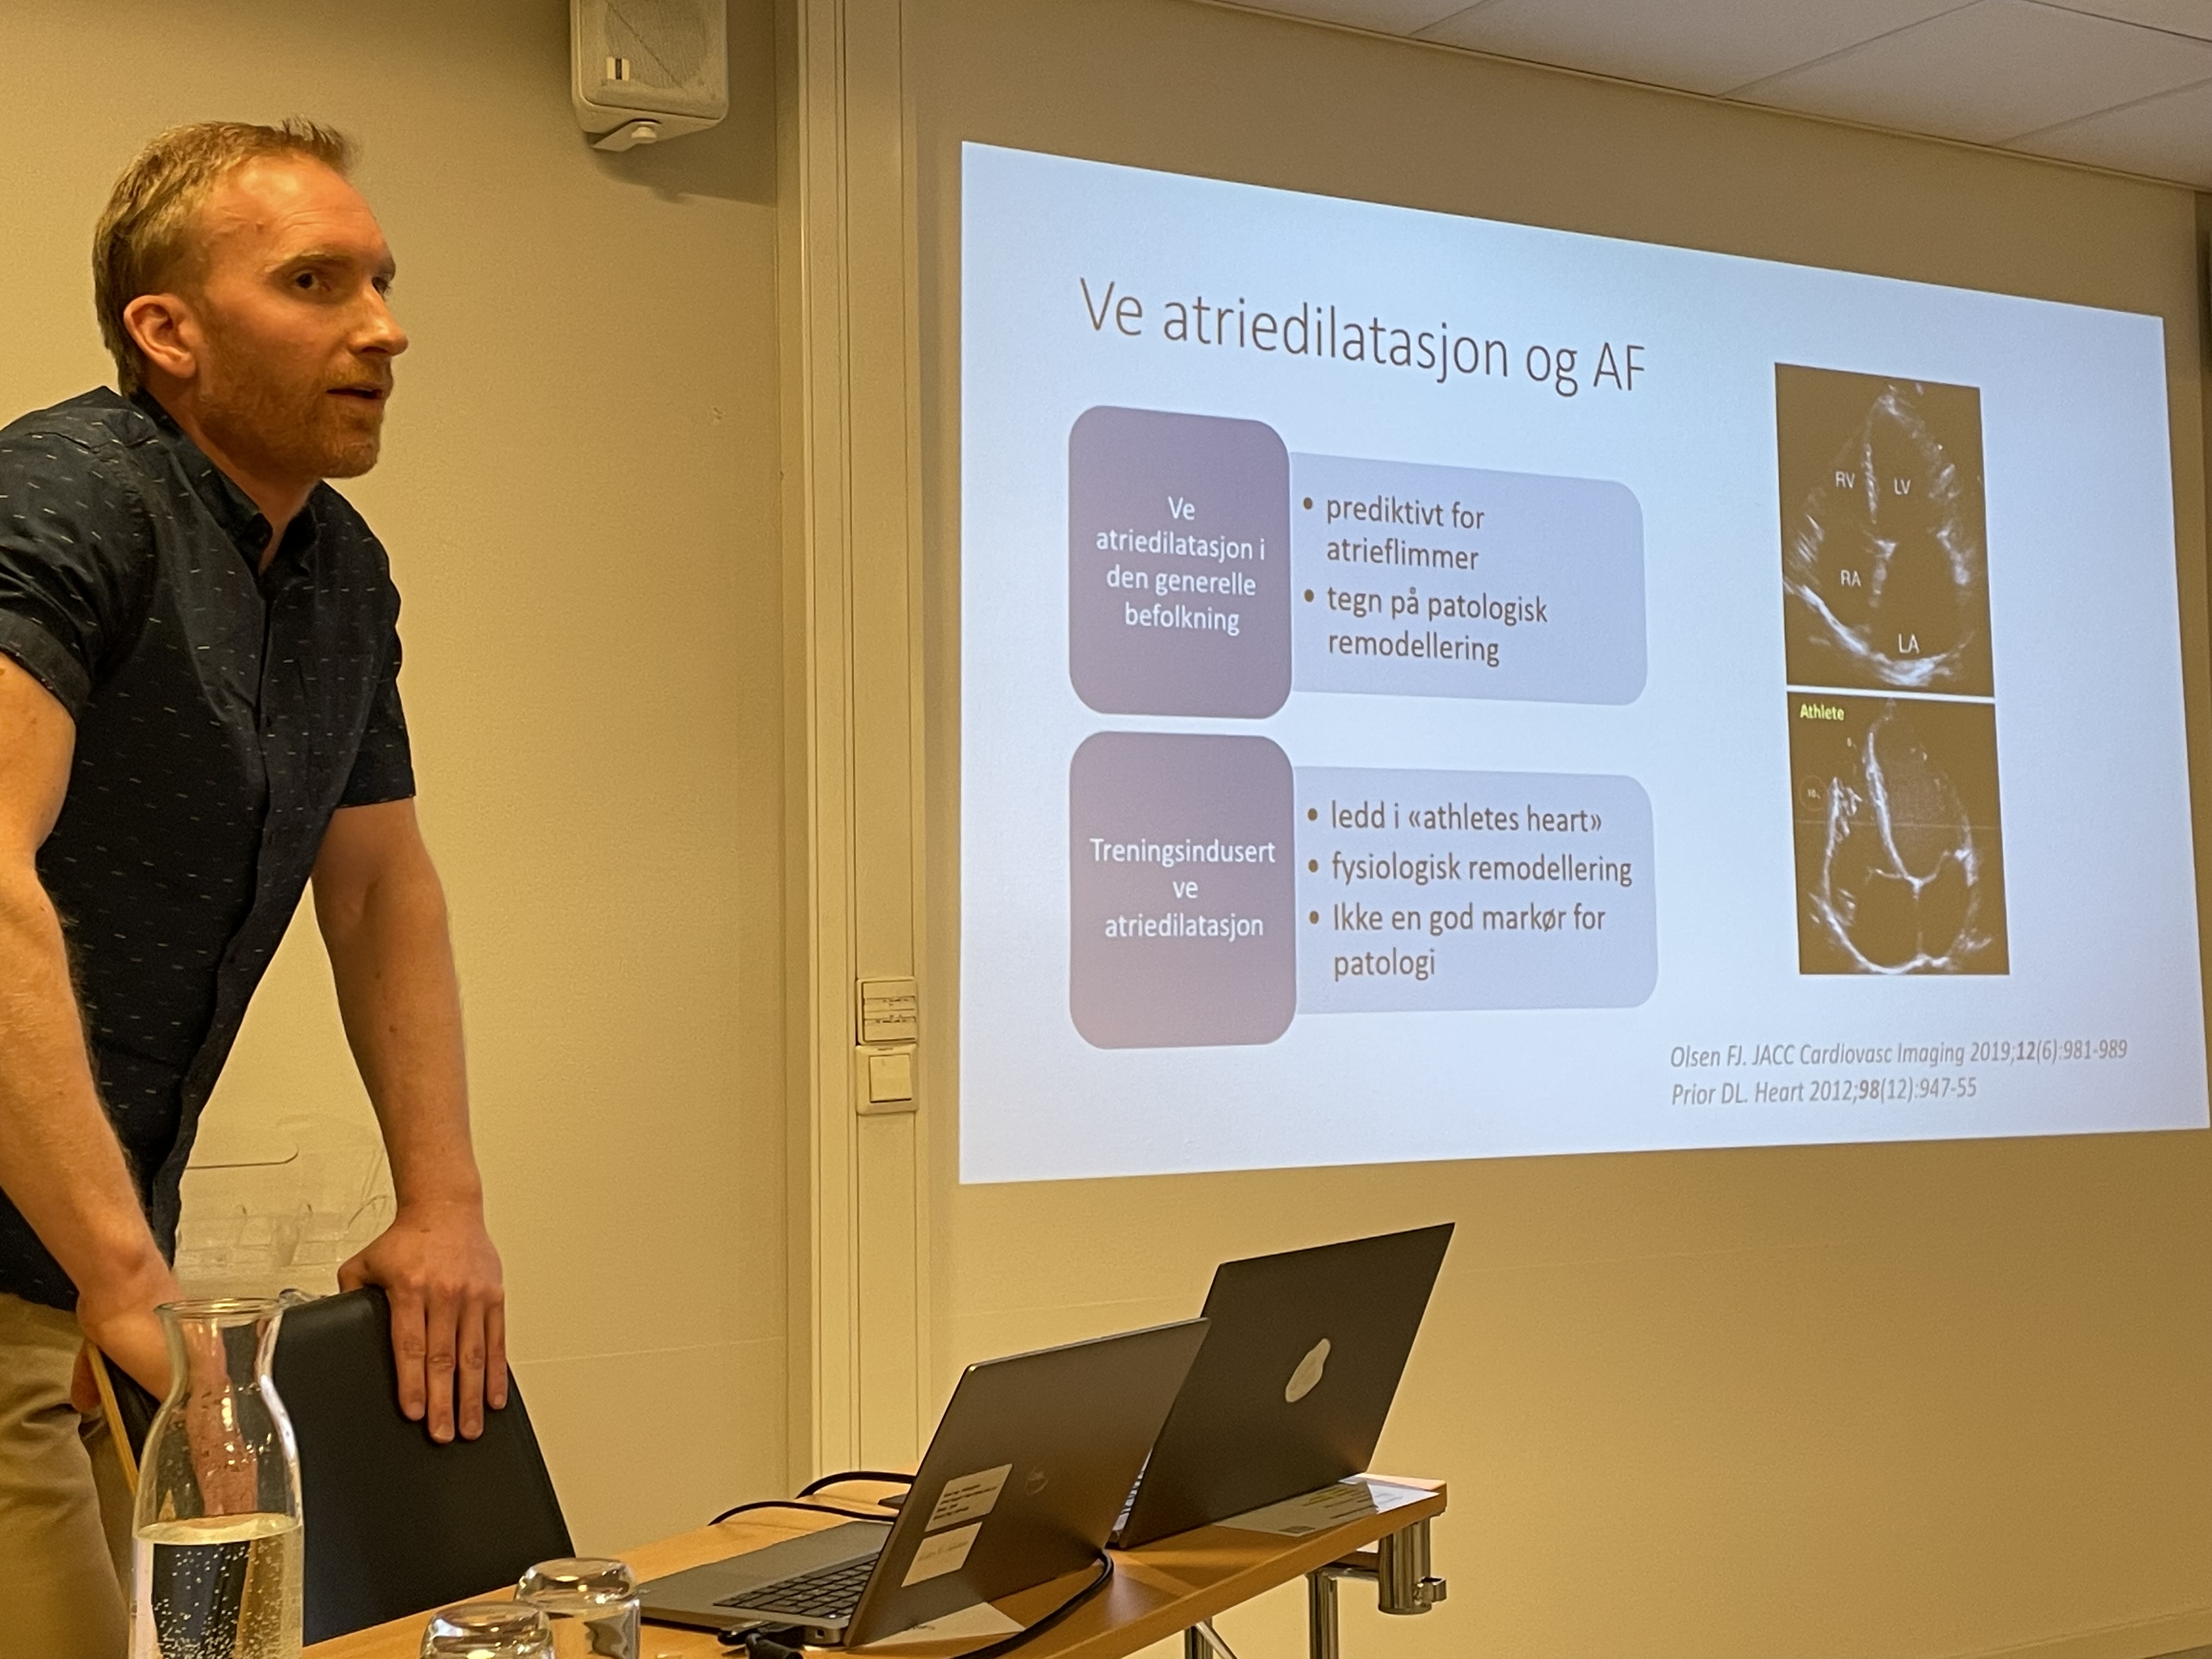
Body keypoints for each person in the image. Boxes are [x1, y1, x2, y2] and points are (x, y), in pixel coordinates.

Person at [0, 119, 504, 1652]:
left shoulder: (342, 570)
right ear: (169, 332)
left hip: (77, 1272)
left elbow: (380, 886)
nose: (384, 327)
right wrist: (124, 1283)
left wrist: (444, 1207)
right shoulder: (63, 495)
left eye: (382, 281)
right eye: (315, 282)